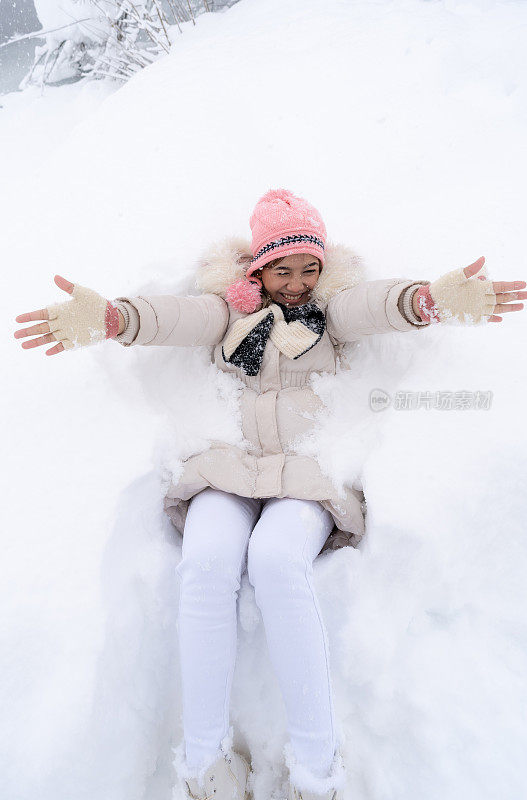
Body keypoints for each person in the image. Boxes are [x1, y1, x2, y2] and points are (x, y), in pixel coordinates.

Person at [13, 189, 526, 800]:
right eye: (283, 268)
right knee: (205, 565)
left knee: (279, 564)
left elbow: (377, 305)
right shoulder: (226, 310)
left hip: (305, 477)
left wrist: (429, 300)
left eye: (310, 267)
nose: (297, 282)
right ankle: (205, 764)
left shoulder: (330, 309)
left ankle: (316, 767)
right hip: (227, 469)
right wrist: (112, 319)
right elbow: (170, 316)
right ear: (257, 266)